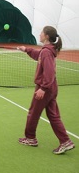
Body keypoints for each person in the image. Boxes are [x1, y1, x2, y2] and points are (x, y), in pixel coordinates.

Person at [17, 26, 75, 154]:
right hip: (51, 87)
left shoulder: (47, 52)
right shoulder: (46, 51)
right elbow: (38, 55)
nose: (39, 34)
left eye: (42, 33)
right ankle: (65, 141)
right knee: (53, 115)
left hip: (46, 88)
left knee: (33, 113)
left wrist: (43, 88)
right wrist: (26, 49)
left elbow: (49, 72)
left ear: (47, 36)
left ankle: (30, 138)